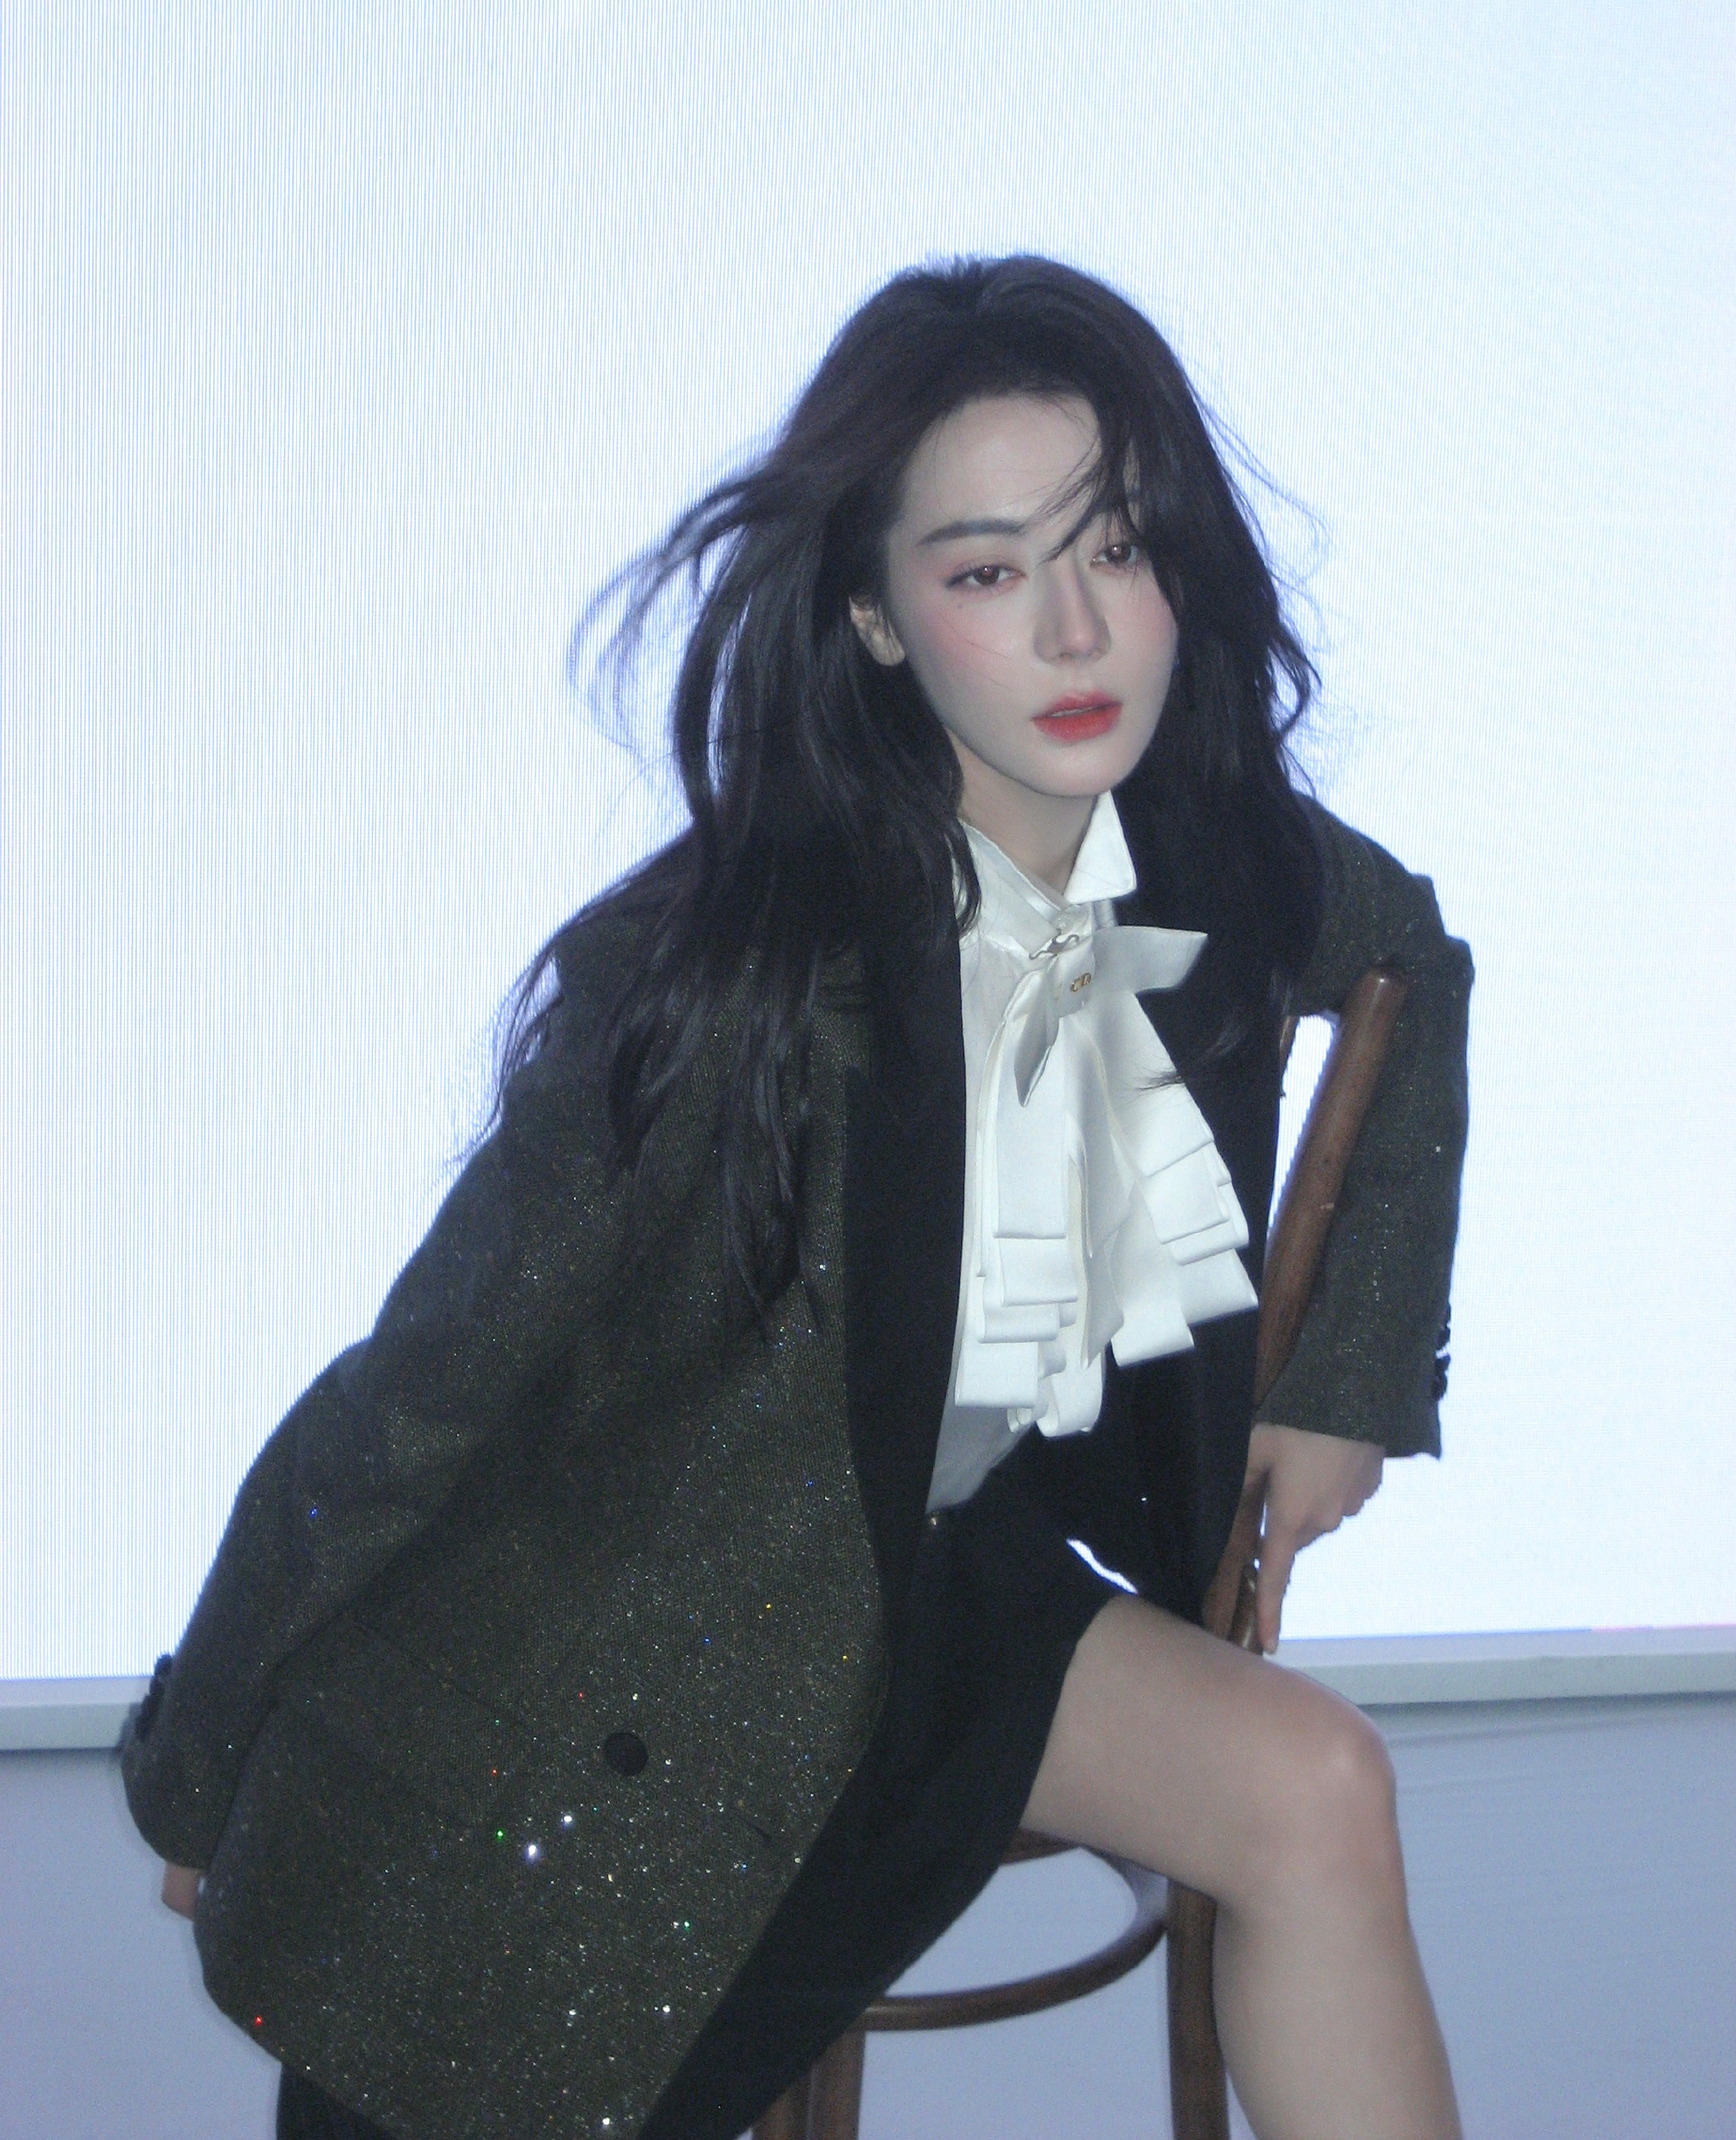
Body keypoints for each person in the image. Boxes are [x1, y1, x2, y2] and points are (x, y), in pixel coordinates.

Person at [124, 255, 1471, 2140]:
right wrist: (198, 1764)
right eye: (987, 572)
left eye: (1117, 546)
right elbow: (425, 1390)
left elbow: (1415, 961)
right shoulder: (720, 972)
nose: (1075, 628)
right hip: (648, 1647)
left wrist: (1346, 1380)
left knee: (1316, 1782)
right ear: (873, 616)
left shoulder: (1210, 853)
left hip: (950, 1590)